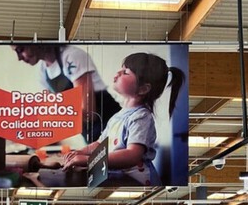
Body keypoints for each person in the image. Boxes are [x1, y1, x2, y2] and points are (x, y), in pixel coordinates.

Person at [63, 53, 185, 186]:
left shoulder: (141, 117)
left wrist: (89, 160)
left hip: (138, 184)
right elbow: (99, 144)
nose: (118, 72)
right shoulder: (118, 116)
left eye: (126, 72)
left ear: (143, 89)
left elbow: (132, 155)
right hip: (120, 179)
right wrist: (81, 151)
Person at [12, 43, 120, 143]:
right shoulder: (42, 71)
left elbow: (89, 114)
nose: (18, 58)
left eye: (20, 49)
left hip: (112, 125)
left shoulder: (72, 56)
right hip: (88, 132)